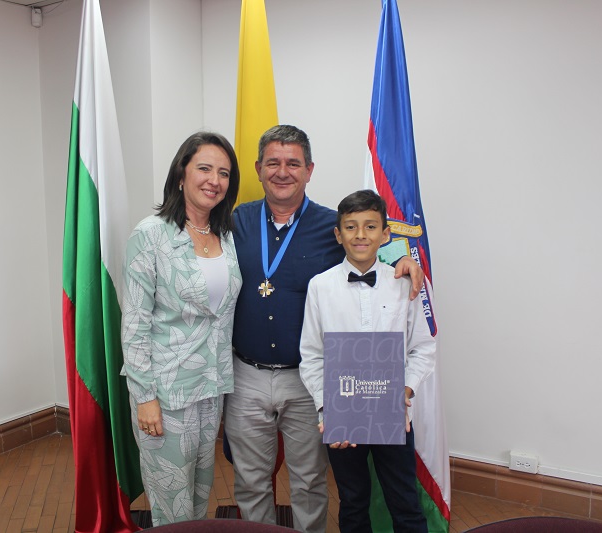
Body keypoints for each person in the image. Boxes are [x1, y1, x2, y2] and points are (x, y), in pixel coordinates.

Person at [225, 125, 424, 533]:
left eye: (293, 163)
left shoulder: (331, 224)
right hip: (245, 374)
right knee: (250, 481)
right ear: (259, 168)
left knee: (311, 481)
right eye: (274, 163)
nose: (283, 171)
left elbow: (368, 246)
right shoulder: (236, 221)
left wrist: (406, 261)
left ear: (309, 169)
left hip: (306, 378)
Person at [121, 131, 243, 526]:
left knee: (198, 499)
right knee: (169, 505)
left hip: (211, 388)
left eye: (224, 173)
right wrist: (144, 398)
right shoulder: (150, 235)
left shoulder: (226, 234)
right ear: (180, 175)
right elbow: (135, 324)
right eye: (204, 168)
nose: (215, 180)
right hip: (166, 394)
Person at [299, 189, 436, 533]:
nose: (361, 235)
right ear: (338, 234)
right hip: (342, 413)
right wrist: (326, 408)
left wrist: (404, 391)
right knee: (353, 499)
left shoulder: (404, 284)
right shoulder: (320, 287)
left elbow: (423, 347)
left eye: (371, 227)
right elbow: (312, 356)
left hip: (393, 411)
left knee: (404, 500)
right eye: (351, 227)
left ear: (385, 234)